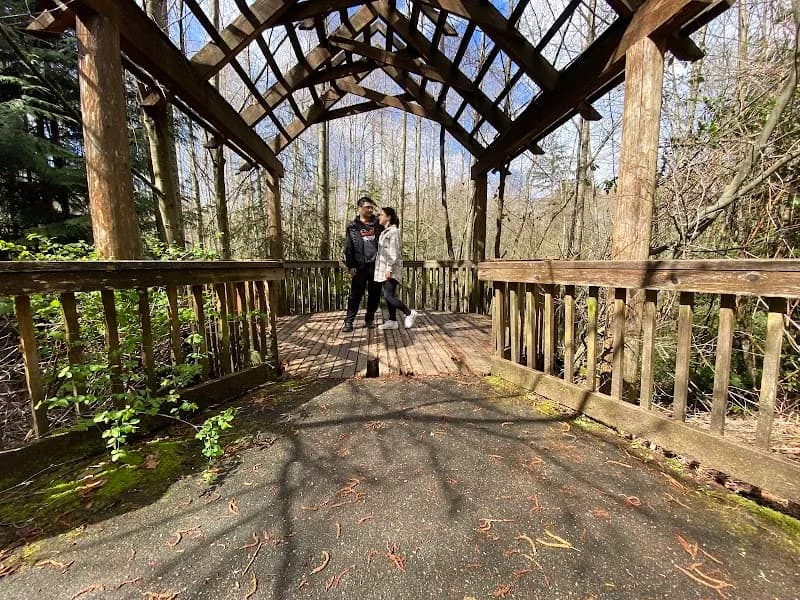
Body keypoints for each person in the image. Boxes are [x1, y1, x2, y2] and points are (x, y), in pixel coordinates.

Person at [343, 196, 383, 332]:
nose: (370, 209)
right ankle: (348, 321)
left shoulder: (379, 224)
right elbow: (348, 248)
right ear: (360, 208)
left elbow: (394, 224)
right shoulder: (353, 227)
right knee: (355, 296)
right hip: (360, 267)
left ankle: (369, 319)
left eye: (372, 207)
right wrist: (350, 266)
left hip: (376, 266)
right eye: (367, 207)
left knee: (375, 295)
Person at [374, 207, 419, 331]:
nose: (379, 217)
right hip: (384, 269)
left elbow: (393, 253)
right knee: (389, 295)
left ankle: (409, 313)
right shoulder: (386, 232)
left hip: (391, 269)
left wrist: (389, 269)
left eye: (382, 215)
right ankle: (392, 321)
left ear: (388, 217)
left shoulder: (394, 232)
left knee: (388, 296)